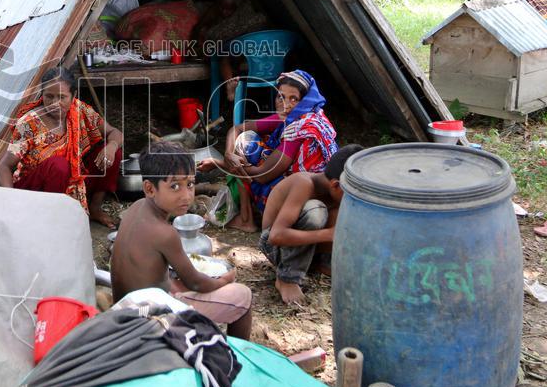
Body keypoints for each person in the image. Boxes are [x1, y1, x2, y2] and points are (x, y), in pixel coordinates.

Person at [111, 142, 253, 339]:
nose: (186, 195)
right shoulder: (165, 233)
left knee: (175, 283)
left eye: (191, 184)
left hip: (124, 309)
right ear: (150, 188)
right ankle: (235, 356)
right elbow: (197, 283)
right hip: (150, 322)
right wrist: (224, 280)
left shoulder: (136, 207)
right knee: (243, 295)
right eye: (175, 186)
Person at [199, 69, 339, 219]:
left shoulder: (300, 129)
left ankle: (246, 219)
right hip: (303, 185)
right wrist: (228, 154)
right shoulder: (300, 114)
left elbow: (262, 175)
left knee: (245, 145)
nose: (285, 104)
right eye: (281, 97)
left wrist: (218, 164)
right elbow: (238, 128)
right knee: (245, 138)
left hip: (300, 195)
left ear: (304, 100)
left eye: (294, 99)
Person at [0, 67, 124, 227]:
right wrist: (12, 204)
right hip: (35, 191)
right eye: (49, 96)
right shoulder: (30, 124)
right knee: (59, 166)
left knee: (113, 152)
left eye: (62, 97)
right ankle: (51, 220)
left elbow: (114, 132)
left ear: (73, 96)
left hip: (71, 183)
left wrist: (111, 146)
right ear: (41, 94)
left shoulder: (80, 111)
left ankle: (95, 208)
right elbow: (4, 167)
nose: (55, 103)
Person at [259, 145, 363, 305]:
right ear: (336, 185)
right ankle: (287, 278)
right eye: (352, 192)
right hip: (274, 245)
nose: (354, 198)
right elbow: (276, 236)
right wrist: (329, 234)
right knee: (316, 210)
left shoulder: (334, 195)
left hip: (307, 245)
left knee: (340, 213)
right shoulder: (304, 183)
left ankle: (320, 263)